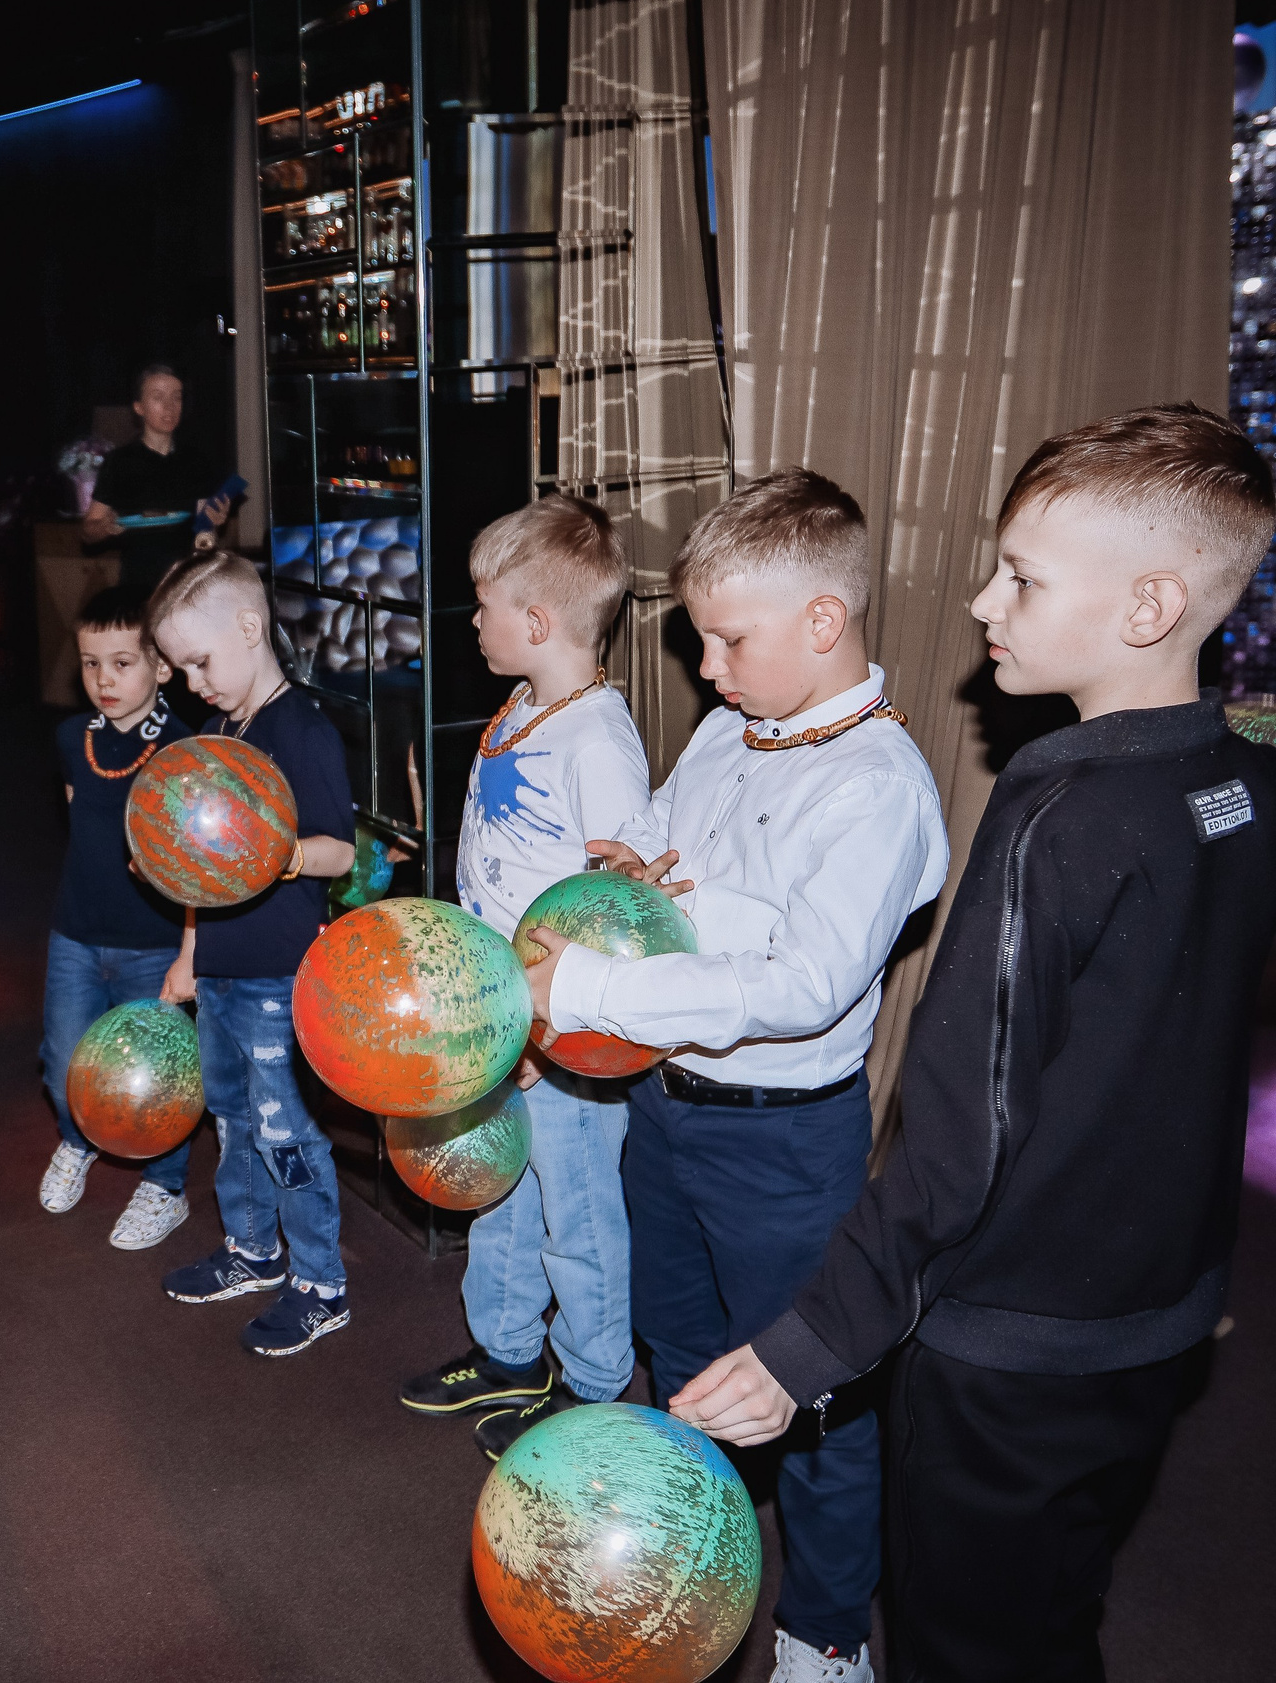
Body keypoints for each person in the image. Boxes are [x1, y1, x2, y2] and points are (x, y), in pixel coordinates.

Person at [669, 406, 1276, 1683]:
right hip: (1157, 1318)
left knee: (961, 1639)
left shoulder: (1051, 806)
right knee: (1050, 1613)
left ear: (1149, 604)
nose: (979, 595)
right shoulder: (1238, 787)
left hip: (1011, 1342)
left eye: (1022, 575)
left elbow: (960, 1126)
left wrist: (807, 1349)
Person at [519, 471, 949, 1683]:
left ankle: (827, 1632)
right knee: (681, 1343)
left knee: (807, 1390)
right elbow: (674, 847)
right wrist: (642, 868)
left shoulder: (877, 789)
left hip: (779, 1141)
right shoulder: (724, 731)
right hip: (664, 1111)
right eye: (700, 637)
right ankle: (690, 1545)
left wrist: (593, 992)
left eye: (727, 638)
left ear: (824, 620)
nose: (705, 668)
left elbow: (801, 982)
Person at [399, 497, 654, 1449]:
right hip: (503, 1018)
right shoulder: (525, 705)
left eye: (484, 606)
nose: (473, 622)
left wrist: (549, 1030)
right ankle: (510, 1351)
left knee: (576, 1210)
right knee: (503, 1188)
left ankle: (595, 1383)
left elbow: (615, 909)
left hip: (565, 1036)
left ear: (537, 623)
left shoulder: (596, 739)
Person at [146, 551, 359, 1356]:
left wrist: (280, 854)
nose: (192, 681)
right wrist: (188, 951)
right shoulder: (213, 733)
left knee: (286, 1129)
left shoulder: (300, 727)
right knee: (232, 1122)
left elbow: (339, 849)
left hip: (279, 973)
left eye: (199, 660)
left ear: (249, 625)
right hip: (222, 973)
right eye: (181, 667)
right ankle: (252, 1249)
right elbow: (198, 868)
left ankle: (320, 1281)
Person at [37, 583, 199, 1249]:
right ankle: (77, 1142)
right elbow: (82, 819)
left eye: (122, 662)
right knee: (61, 1060)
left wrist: (190, 952)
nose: (104, 678)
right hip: (76, 930)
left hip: (152, 941)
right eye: (90, 662)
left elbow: (199, 868)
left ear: (162, 665)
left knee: (156, 1076)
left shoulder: (186, 749)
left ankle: (166, 1185)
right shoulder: (72, 736)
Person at [82, 364, 235, 595]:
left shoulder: (196, 461)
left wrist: (213, 523)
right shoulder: (119, 462)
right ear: (139, 407)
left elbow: (205, 535)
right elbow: (87, 532)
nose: (170, 406)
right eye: (158, 397)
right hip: (137, 586)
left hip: (188, 585)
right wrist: (104, 527)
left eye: (177, 397)